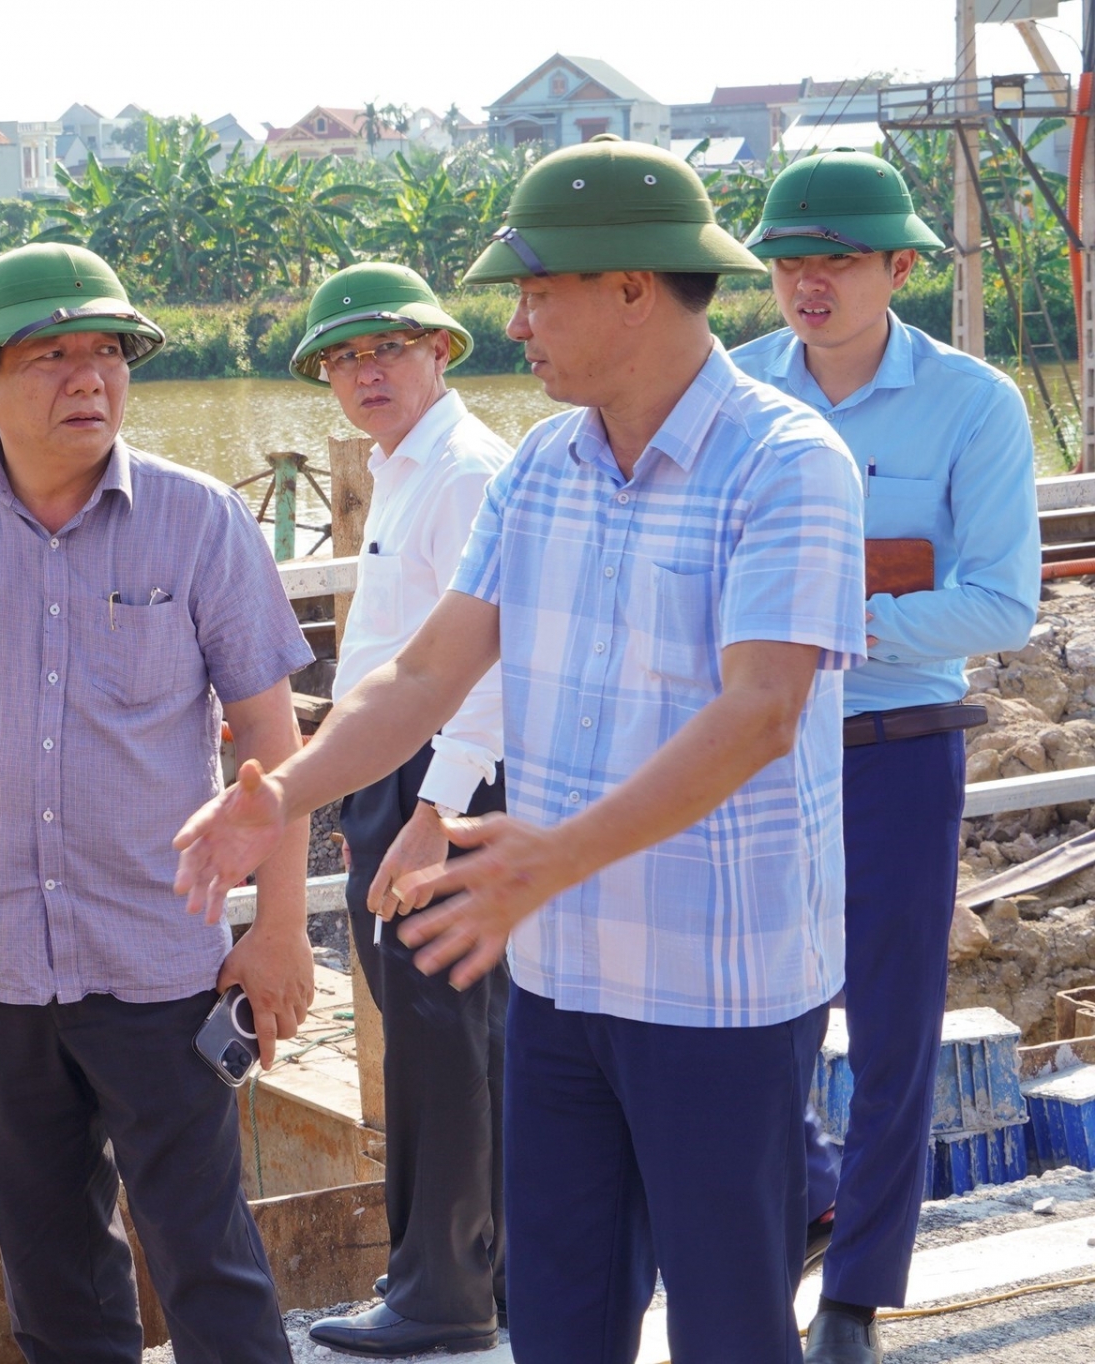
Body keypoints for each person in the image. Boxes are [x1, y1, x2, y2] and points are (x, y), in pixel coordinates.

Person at [173, 136, 867, 1364]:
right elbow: (428, 671)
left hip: (718, 980)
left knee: (728, 1320)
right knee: (560, 1315)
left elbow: (762, 710)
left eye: (539, 294)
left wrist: (554, 857)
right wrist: (276, 794)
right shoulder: (542, 469)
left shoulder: (787, 462)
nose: (523, 324)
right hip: (561, 979)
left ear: (632, 289)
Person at [0, 242, 315, 1364]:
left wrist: (281, 924)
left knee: (205, 1254)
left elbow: (271, 735)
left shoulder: (198, 523)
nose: (90, 378)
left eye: (108, 353)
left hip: (161, 957)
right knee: (51, 1272)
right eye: (53, 356)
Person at [734, 151, 1042, 1364]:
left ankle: (857, 1293)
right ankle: (794, 1213)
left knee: (896, 1017)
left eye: (840, 261)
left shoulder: (973, 403)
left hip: (900, 749)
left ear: (900, 269)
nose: (811, 284)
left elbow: (1001, 604)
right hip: (750, 745)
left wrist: (823, 622)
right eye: (792, 261)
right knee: (752, 1006)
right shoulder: (732, 388)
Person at [286, 263, 511, 1355]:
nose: (364, 373)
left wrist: (430, 808)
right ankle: (487, 1273)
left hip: (442, 778)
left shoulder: (465, 469)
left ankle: (442, 1292)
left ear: (440, 349)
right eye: (343, 356)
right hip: (401, 771)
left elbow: (493, 664)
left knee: (440, 1043)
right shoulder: (408, 466)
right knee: (454, 1032)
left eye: (386, 349)